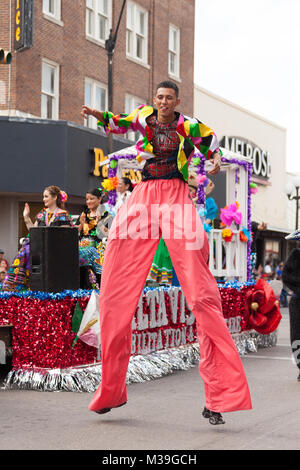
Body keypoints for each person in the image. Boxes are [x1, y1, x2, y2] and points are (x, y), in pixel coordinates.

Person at [81, 80, 252, 425]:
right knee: (114, 287)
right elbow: (118, 121)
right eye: (158, 97)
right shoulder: (144, 116)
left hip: (176, 198)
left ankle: (219, 396)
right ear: (154, 100)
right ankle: (110, 390)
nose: (162, 102)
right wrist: (96, 114)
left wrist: (215, 161)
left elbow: (212, 144)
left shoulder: (188, 125)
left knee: (203, 296)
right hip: (143, 198)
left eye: (168, 98)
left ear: (176, 102)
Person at [1, 186, 73, 291]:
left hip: (55, 251)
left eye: (46, 196)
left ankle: (16, 286)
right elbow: (34, 232)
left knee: (29, 250)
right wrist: (26, 217)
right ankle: (16, 285)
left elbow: (65, 237)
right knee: (26, 250)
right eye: (43, 196)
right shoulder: (42, 214)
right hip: (40, 249)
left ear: (54, 197)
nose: (43, 199)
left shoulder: (63, 214)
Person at [76, 188, 112, 289]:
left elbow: (110, 235)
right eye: (87, 199)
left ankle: (91, 285)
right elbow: (75, 233)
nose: (88, 202)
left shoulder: (107, 215)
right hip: (82, 245)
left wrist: (99, 223)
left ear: (99, 199)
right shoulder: (84, 215)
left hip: (98, 246)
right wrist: (81, 224)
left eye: (91, 199)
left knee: (85, 253)